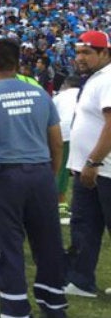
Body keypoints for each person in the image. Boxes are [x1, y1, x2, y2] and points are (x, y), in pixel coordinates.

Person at [0, 39, 67, 318]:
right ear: (18, 65)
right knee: (48, 243)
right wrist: (50, 176)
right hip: (41, 173)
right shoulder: (40, 94)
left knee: (8, 245)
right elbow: (56, 143)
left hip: (5, 178)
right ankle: (54, 305)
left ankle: (15, 309)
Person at [64, 31, 111, 298]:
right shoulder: (95, 78)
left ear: (105, 53)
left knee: (91, 224)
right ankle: (81, 281)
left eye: (87, 52)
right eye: (78, 51)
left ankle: (81, 279)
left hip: (104, 169)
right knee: (84, 225)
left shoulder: (107, 79)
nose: (80, 57)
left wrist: (94, 161)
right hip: (91, 169)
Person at [52, 75, 81, 214]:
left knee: (61, 167)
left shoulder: (60, 96)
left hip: (63, 132)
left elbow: (51, 116)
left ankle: (60, 201)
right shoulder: (84, 93)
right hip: (82, 133)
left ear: (66, 85)